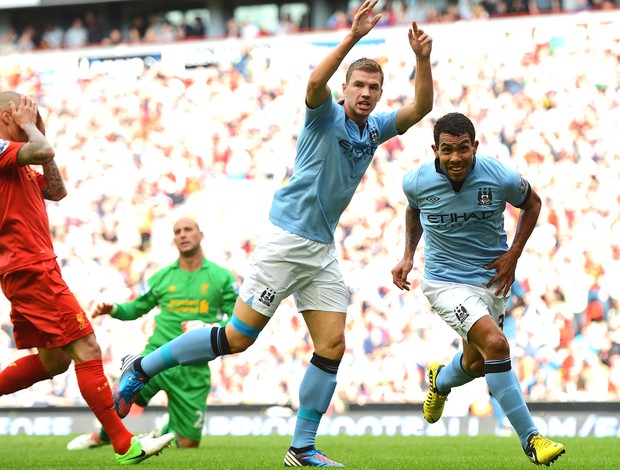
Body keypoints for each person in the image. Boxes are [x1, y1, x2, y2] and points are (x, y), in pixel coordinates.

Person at [113, 1, 434, 467]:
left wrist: (422, 58)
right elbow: (312, 83)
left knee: (331, 346)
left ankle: (301, 448)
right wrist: (352, 37)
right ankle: (140, 367)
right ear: (345, 89)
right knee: (238, 339)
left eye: (374, 88)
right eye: (359, 85)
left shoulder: (375, 129)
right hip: (286, 242)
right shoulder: (325, 115)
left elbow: (423, 105)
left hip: (321, 250)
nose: (366, 93)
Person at [0, 91, 174, 465]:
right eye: (26, 112)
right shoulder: (1, 149)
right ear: (7, 115)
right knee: (87, 350)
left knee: (54, 363)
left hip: (27, 268)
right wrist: (32, 128)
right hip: (31, 267)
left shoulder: (19, 164)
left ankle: (122, 441)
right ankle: (125, 445)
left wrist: (37, 129)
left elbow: (57, 191)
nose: (34, 117)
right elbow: (42, 151)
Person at [391, 112, 565, 466]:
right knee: (497, 345)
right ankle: (532, 439)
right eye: (447, 150)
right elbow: (414, 210)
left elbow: (532, 204)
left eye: (463, 149)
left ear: (475, 147)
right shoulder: (416, 181)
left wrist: (513, 255)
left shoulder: (498, 175)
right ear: (435, 150)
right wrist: (408, 256)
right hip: (445, 282)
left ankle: (440, 381)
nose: (455, 157)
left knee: (477, 363)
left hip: (492, 280)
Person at [67, 217, 237, 450]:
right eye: (178, 232)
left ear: (200, 235)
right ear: (174, 239)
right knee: (123, 396)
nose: (183, 235)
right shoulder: (161, 277)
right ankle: (104, 436)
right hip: (156, 356)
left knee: (188, 444)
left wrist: (209, 326)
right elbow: (136, 308)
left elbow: (234, 318)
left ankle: (167, 430)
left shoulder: (222, 277)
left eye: (188, 230)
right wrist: (113, 309)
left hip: (194, 367)